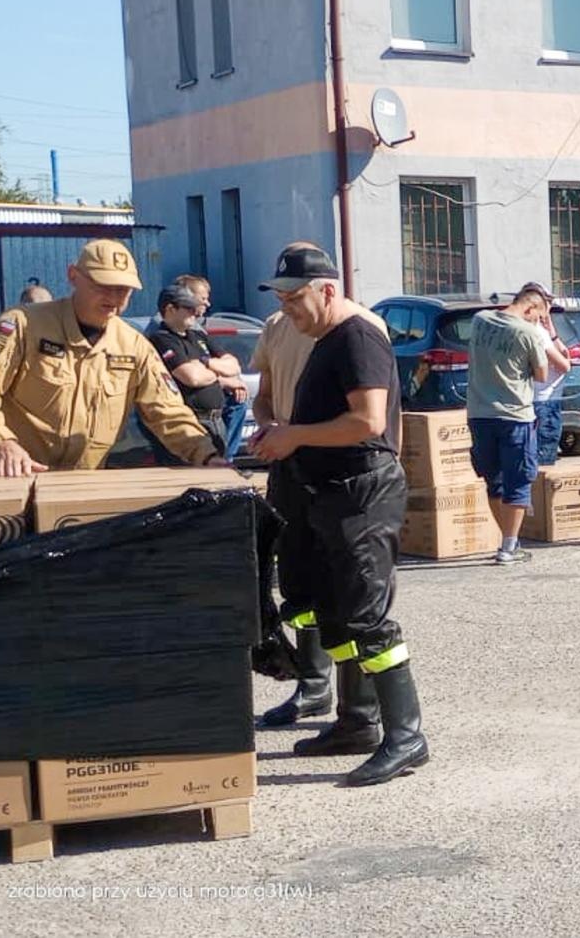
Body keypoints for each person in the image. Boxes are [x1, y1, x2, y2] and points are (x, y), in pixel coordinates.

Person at [248, 246, 426, 787]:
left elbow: (368, 421)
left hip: (363, 493)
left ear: (327, 290)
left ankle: (407, 737)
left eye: (295, 298)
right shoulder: (323, 337)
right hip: (329, 492)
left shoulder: (356, 336)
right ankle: (356, 722)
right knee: (336, 615)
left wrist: (294, 435)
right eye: (280, 299)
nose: (287, 310)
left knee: (368, 618)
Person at [0, 240, 221, 476]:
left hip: (76, 490)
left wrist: (207, 456)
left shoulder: (134, 345)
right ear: (73, 275)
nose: (113, 297)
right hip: (7, 481)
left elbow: (168, 412)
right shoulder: (22, 325)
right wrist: (3, 443)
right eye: (103, 285)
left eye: (123, 290)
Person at [468, 283, 551, 565]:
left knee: (494, 480)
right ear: (530, 308)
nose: (537, 322)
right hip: (515, 414)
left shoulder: (479, 320)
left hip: (479, 413)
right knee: (519, 480)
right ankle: (508, 547)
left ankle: (506, 539)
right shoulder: (527, 332)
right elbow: (541, 374)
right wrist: (540, 334)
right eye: (538, 316)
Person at [171, 272, 249, 454]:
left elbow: (232, 364)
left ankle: (225, 457)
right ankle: (221, 458)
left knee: (238, 403)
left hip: (214, 407)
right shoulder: (167, 332)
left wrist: (206, 363)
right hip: (195, 412)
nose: (208, 304)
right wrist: (225, 381)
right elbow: (191, 377)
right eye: (203, 299)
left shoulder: (197, 331)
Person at [530, 299, 574, 465]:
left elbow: (563, 350)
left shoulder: (541, 330)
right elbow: (564, 364)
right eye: (547, 303)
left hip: (544, 400)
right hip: (544, 402)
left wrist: (550, 326)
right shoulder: (537, 333)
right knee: (543, 462)